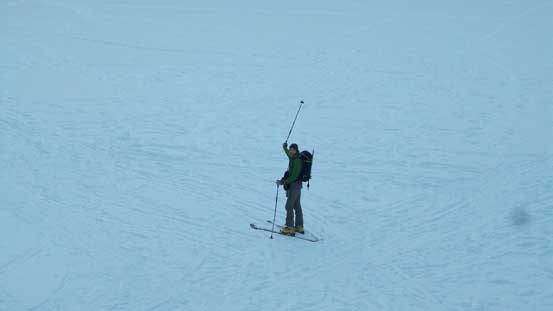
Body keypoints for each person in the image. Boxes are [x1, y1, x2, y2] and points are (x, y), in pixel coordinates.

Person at [276, 142, 304, 235]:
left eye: (293, 150)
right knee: (296, 205)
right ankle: (299, 227)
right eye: (291, 149)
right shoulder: (293, 157)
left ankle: (289, 227)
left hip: (295, 186)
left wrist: (283, 182)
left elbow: (294, 177)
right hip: (297, 186)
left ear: (296, 151)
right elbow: (287, 153)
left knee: (289, 206)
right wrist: (284, 147)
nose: (291, 151)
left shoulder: (297, 161)